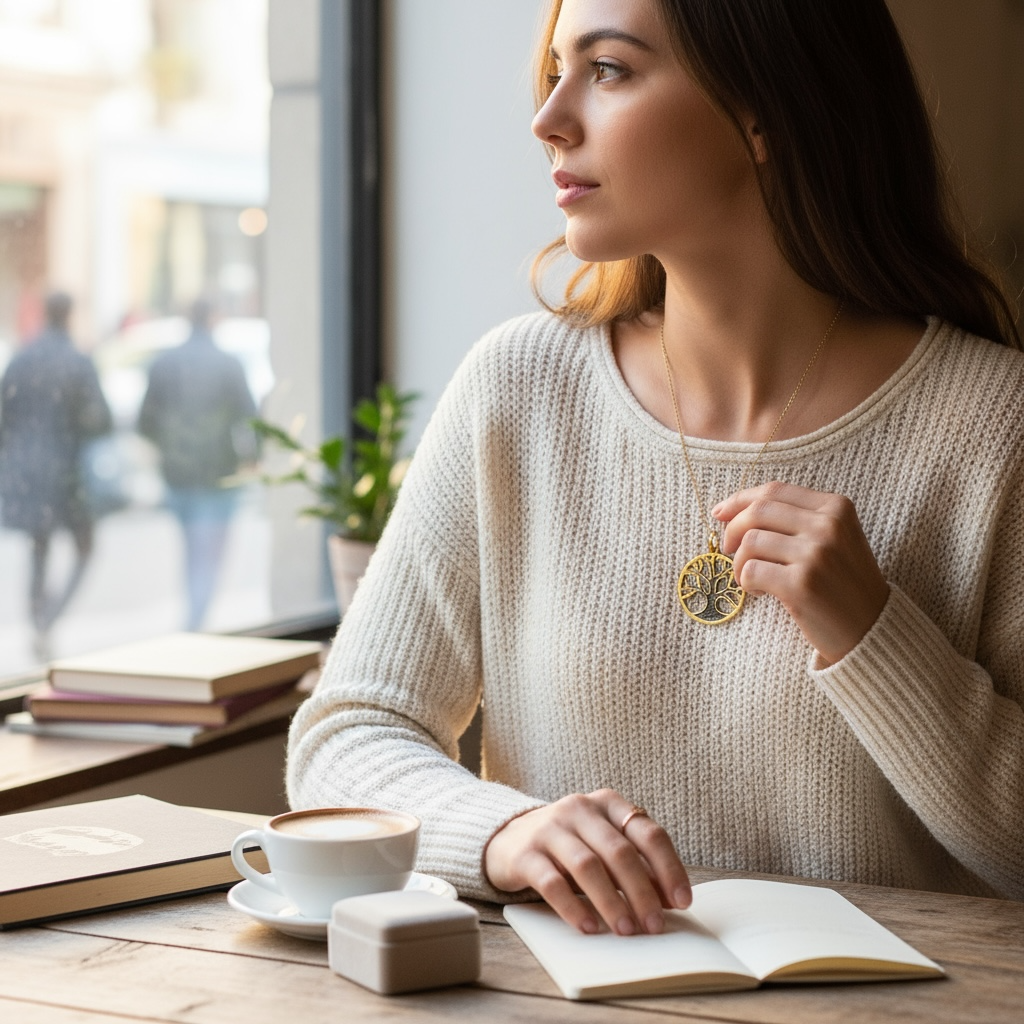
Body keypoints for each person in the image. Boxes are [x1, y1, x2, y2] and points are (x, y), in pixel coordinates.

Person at [286, 0, 1024, 937]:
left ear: (764, 110)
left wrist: (876, 635)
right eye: (554, 69)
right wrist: (506, 833)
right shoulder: (517, 392)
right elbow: (346, 737)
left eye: (609, 71)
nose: (547, 118)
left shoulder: (997, 428)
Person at [0, 292, 113, 659]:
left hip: (26, 473)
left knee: (39, 548)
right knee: (84, 546)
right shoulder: (77, 361)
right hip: (65, 473)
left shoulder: (21, 358)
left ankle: (39, 621)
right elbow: (101, 420)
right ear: (69, 315)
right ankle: (47, 619)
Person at [138, 298, 258, 631]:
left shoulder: (163, 363)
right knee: (209, 553)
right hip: (218, 472)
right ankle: (195, 623)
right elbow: (249, 417)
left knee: (193, 548)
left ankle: (194, 619)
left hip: (177, 473)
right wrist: (253, 457)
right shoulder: (228, 364)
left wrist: (168, 448)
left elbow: (144, 421)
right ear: (214, 317)